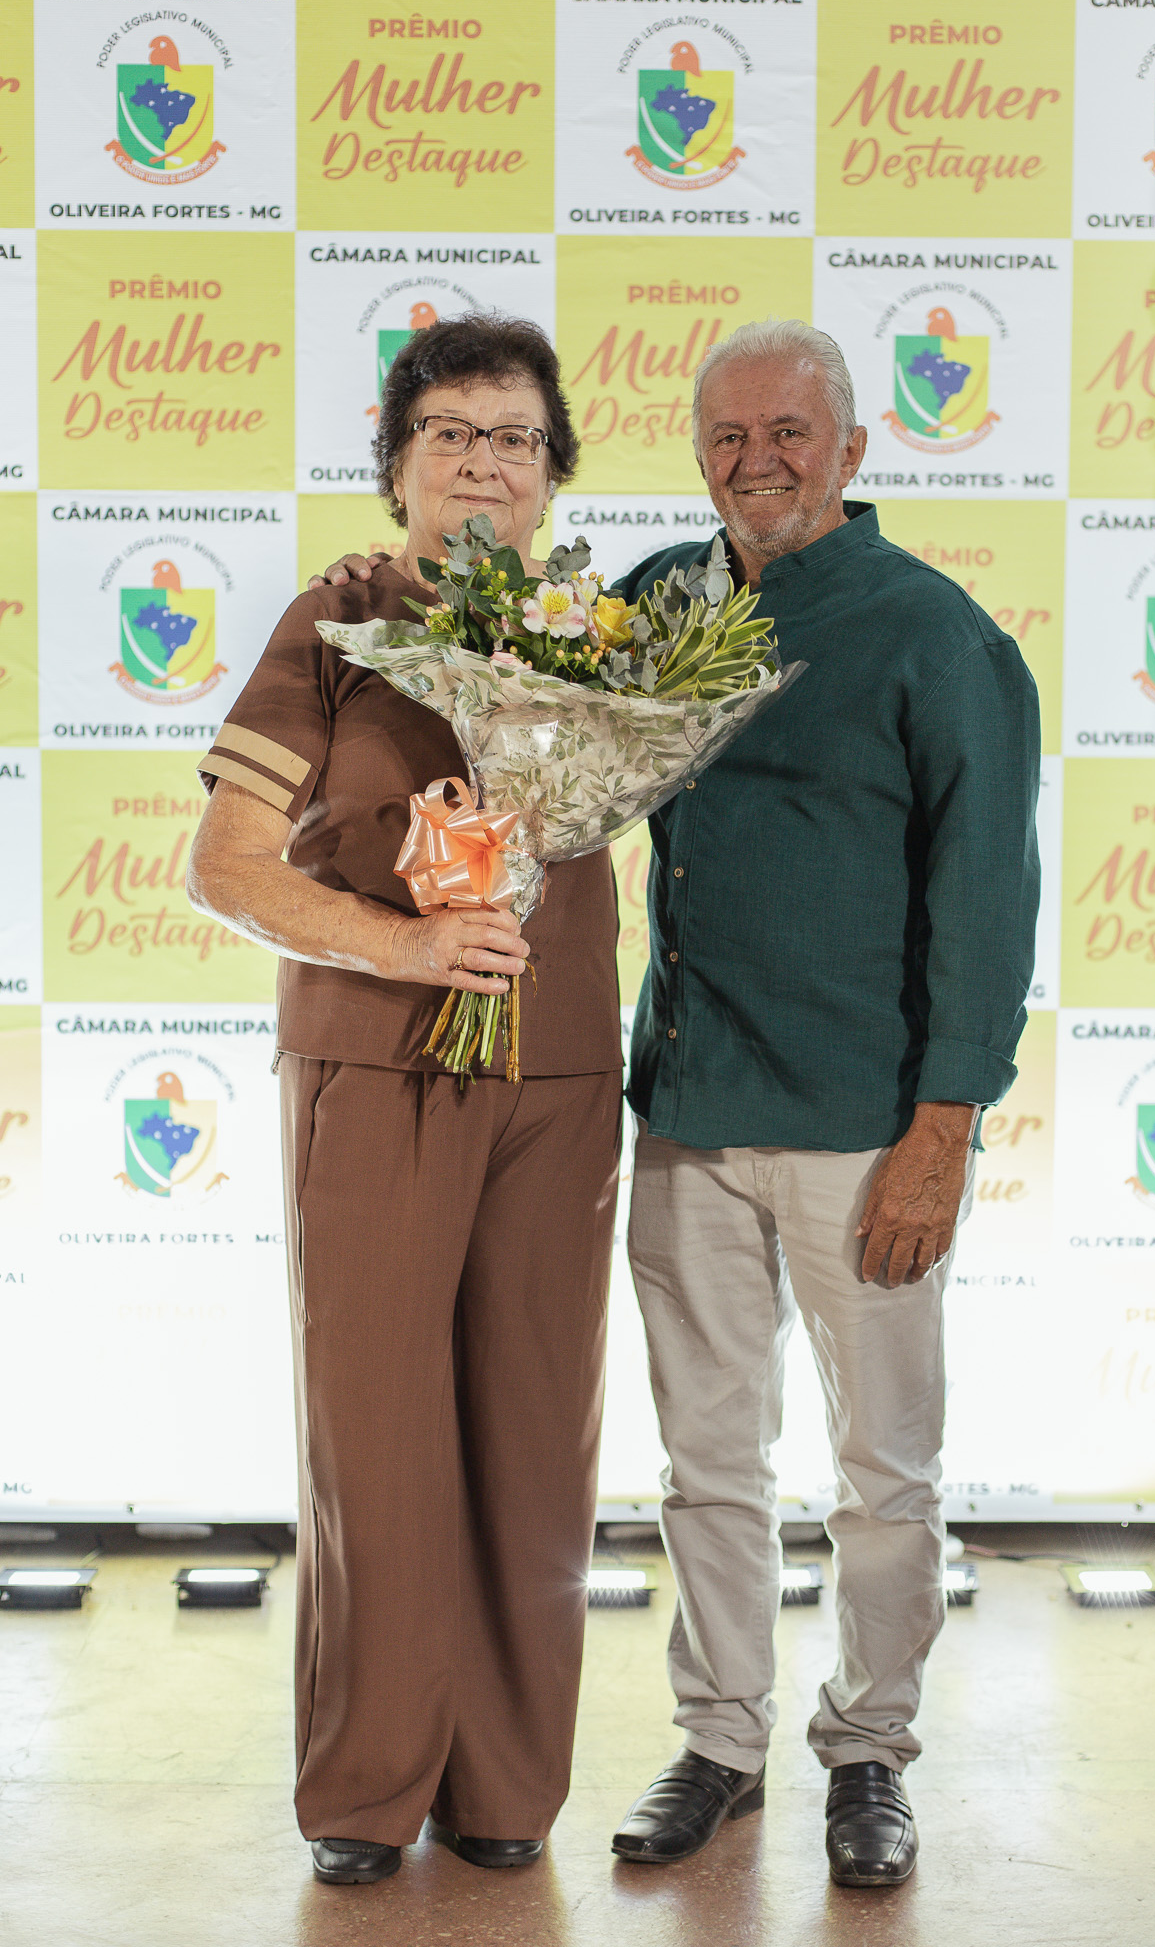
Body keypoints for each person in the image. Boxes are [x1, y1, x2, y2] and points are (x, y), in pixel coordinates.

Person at [186, 316, 623, 1887]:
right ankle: (366, 1790)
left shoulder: (600, 640)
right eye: (449, 433)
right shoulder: (338, 620)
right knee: (372, 1440)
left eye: (515, 437)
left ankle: (504, 1781)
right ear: (397, 468)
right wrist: (404, 945)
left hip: (557, 1069)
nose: (484, 462)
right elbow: (226, 868)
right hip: (376, 1067)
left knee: (535, 1435)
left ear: (553, 473)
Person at [607, 319, 1041, 1889]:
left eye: (788, 432)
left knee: (884, 1472)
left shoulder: (934, 633)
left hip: (864, 1124)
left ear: (851, 450)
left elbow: (984, 896)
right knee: (706, 1460)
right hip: (686, 1107)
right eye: (725, 435)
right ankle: (719, 1740)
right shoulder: (655, 603)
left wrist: (946, 1127)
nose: (755, 461)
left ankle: (869, 1751)